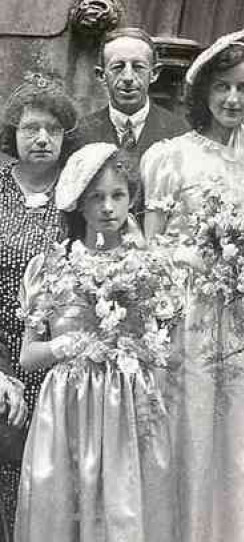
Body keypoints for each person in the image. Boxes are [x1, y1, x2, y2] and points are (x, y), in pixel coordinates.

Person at [142, 29, 244, 541]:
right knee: (191, 429)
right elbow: (153, 246)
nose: (233, 99)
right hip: (191, 313)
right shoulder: (170, 158)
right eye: (223, 87)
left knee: (241, 434)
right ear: (203, 91)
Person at [15, 143, 176, 541]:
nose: (108, 208)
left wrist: (139, 354)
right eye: (96, 197)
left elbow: (163, 350)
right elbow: (27, 356)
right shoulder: (51, 267)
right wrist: (64, 347)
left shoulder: (149, 265)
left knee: (123, 511)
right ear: (77, 204)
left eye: (118, 196)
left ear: (131, 199)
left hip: (129, 408)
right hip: (69, 408)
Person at [0, 73, 73, 532]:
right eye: (30, 128)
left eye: (53, 129)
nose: (42, 138)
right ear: (14, 132)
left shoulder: (76, 195)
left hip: (52, 358)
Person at [76, 28, 189, 163]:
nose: (128, 77)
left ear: (154, 74)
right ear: (101, 75)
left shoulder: (180, 134)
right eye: (118, 67)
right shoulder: (80, 133)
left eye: (138, 67)